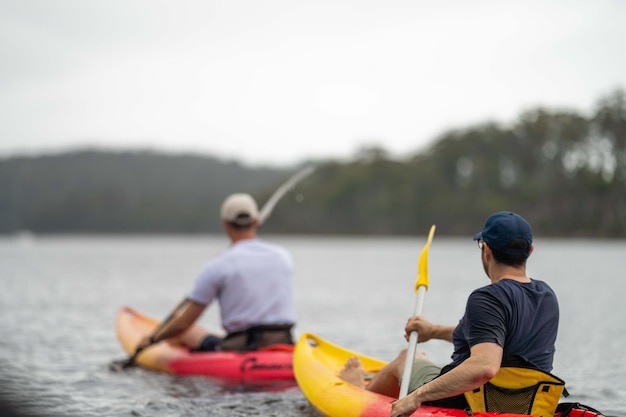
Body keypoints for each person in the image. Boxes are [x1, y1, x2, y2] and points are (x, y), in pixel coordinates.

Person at [339, 211, 560, 417]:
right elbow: (490, 337)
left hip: (467, 402)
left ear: (487, 250)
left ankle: (357, 392)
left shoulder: (487, 298)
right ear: (530, 251)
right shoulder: (547, 296)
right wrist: (433, 331)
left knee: (407, 358)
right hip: (527, 405)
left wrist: (416, 396)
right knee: (421, 360)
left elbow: (484, 367)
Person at [136, 193, 296, 352]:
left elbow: (184, 323)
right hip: (284, 342)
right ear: (256, 221)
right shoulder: (283, 256)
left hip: (241, 348)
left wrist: (152, 339)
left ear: (225, 224)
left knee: (187, 332)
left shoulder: (218, 265)